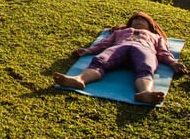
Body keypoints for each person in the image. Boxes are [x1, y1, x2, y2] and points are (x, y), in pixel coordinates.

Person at [53, 11, 188, 104]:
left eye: (143, 19)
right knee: (100, 61)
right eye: (136, 18)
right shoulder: (121, 32)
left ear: (150, 25)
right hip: (120, 46)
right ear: (130, 22)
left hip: (145, 49)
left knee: (146, 67)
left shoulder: (156, 37)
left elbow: (163, 52)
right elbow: (105, 43)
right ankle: (79, 79)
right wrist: (88, 50)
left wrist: (173, 63)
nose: (139, 20)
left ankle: (145, 92)